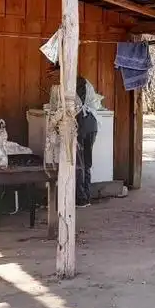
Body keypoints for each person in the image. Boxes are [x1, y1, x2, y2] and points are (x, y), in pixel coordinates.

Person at [47, 65, 99, 207]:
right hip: (91, 123)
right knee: (86, 162)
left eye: (54, 74)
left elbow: (71, 108)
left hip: (81, 124)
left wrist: (54, 122)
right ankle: (86, 196)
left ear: (61, 72)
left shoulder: (72, 84)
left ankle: (81, 198)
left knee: (79, 162)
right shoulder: (82, 82)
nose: (53, 78)